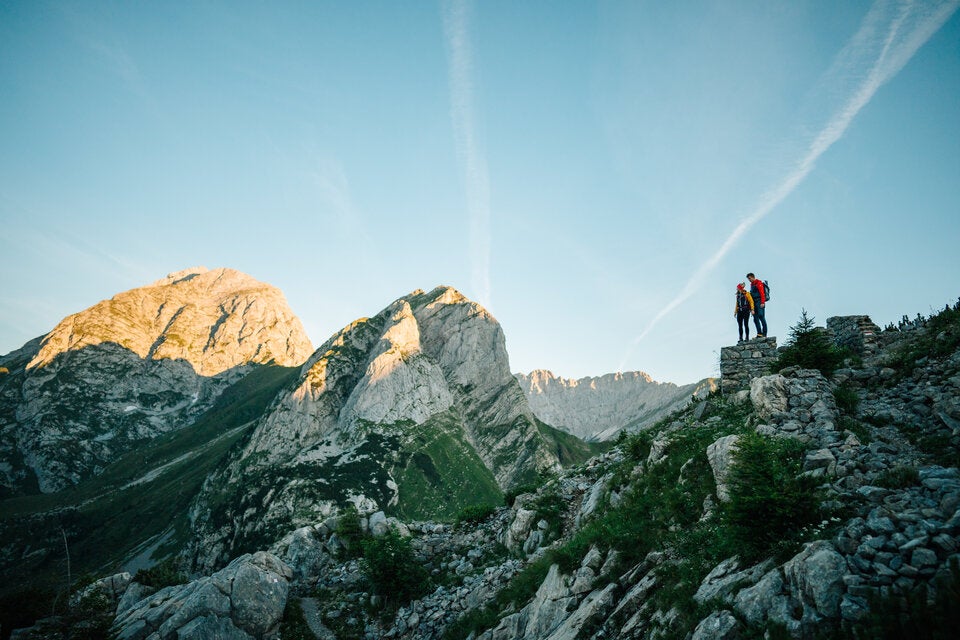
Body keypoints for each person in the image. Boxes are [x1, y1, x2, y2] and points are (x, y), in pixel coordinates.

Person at [747, 273, 768, 337]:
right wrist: (751, 308)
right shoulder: (751, 285)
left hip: (759, 301)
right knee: (755, 318)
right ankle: (759, 333)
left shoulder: (759, 283)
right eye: (748, 279)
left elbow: (762, 293)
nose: (749, 280)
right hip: (754, 303)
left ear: (753, 277)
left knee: (761, 316)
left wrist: (762, 302)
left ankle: (764, 333)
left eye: (750, 278)